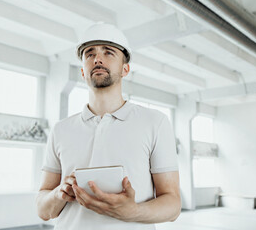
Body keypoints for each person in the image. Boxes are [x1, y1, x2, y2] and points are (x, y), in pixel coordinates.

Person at [36, 23, 181, 230]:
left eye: (108, 52)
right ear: (83, 72)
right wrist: (59, 193)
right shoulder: (61, 130)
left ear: (125, 69)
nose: (97, 59)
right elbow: (43, 210)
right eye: (89, 54)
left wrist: (134, 212)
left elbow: (173, 205)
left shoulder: (155, 123)